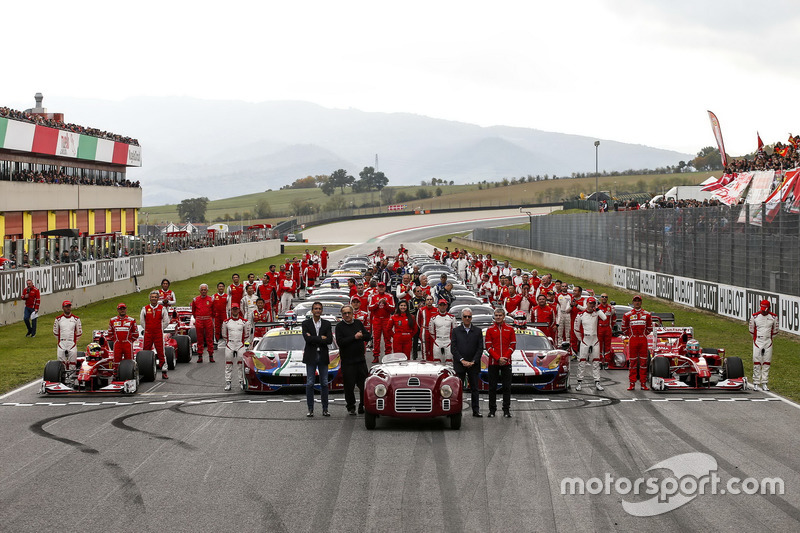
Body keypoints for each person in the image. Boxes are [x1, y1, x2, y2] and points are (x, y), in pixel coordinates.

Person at [336, 305, 372, 415]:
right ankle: (351, 406)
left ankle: (363, 405)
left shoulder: (358, 323)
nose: (347, 315)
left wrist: (361, 336)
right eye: (344, 313)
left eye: (349, 313)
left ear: (352, 313)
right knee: (349, 387)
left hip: (360, 361)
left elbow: (368, 336)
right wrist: (354, 337)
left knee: (363, 386)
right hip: (348, 362)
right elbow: (340, 342)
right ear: (342, 315)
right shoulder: (339, 327)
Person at [302, 302, 333, 417]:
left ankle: (325, 409)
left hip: (323, 355)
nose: (318, 310)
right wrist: (321, 338)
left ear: (322, 311)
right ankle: (310, 409)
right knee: (310, 383)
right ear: (312, 310)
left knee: (324, 383)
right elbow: (307, 339)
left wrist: (314, 338)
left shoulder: (326, 324)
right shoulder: (305, 323)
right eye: (315, 309)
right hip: (311, 355)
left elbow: (329, 340)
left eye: (319, 309)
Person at [450, 307, 484, 417]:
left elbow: (480, 348)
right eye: (465, 316)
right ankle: (456, 410)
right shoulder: (455, 331)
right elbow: (453, 348)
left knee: (475, 388)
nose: (467, 318)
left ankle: (476, 410)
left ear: (471, 318)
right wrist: (462, 360)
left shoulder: (478, 331)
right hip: (460, 364)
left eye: (469, 316)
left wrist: (473, 361)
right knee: (458, 389)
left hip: (473, 365)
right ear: (462, 317)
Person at [485, 307, 515, 418]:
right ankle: (492, 410)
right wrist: (498, 358)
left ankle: (506, 410)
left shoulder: (510, 329)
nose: (498, 317)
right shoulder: (490, 329)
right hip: (493, 363)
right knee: (492, 387)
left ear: (504, 317)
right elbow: (488, 346)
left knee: (507, 387)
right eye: (496, 315)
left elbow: (513, 345)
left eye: (500, 315)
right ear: (494, 316)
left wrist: (505, 358)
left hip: (506, 363)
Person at [573, 297, 606, 392]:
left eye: (593, 303)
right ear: (586, 304)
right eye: (590, 303)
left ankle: (597, 382)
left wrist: (598, 309)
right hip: (585, 339)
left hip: (595, 339)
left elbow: (604, 318)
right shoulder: (580, 314)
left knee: (596, 362)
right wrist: (581, 339)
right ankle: (579, 383)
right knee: (582, 361)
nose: (592, 305)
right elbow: (576, 329)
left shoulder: (597, 313)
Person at [622, 295, 652, 391]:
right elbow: (624, 328)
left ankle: (643, 383)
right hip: (633, 340)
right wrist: (631, 335)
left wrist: (643, 335)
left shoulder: (647, 314)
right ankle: (632, 383)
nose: (637, 302)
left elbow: (649, 328)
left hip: (643, 339)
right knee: (632, 362)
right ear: (633, 302)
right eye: (635, 301)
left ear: (641, 302)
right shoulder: (627, 315)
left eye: (639, 301)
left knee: (643, 362)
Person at [749, 299, 779, 391]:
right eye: (762, 308)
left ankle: (765, 382)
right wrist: (757, 339)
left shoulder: (774, 317)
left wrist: (768, 339)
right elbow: (751, 330)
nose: (763, 310)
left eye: (765, 309)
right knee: (757, 361)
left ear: (769, 308)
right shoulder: (755, 316)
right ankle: (756, 383)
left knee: (766, 362)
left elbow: (775, 331)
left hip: (768, 342)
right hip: (758, 341)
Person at [140, 290, 169, 379]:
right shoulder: (145, 308)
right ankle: (144, 370)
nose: (153, 299)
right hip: (148, 334)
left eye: (155, 297)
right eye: (152, 297)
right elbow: (142, 321)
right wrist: (147, 329)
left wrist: (160, 328)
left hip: (158, 334)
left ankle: (164, 370)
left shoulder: (162, 308)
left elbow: (166, 321)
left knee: (161, 352)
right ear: (150, 298)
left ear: (158, 298)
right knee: (145, 351)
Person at [222, 303, 250, 391]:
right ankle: (228, 382)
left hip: (240, 345)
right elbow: (224, 334)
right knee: (228, 364)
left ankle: (241, 382)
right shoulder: (226, 322)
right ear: (231, 310)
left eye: (236, 309)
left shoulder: (244, 322)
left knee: (240, 365)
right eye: (233, 309)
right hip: (230, 344)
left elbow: (247, 334)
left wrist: (242, 343)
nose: (235, 311)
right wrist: (228, 342)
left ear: (239, 310)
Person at [53, 300, 82, 384]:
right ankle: (62, 379)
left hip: (72, 343)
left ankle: (72, 379)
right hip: (61, 343)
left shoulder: (76, 319)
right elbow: (55, 332)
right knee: (61, 362)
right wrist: (61, 341)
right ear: (63, 308)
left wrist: (73, 341)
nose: (68, 308)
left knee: (73, 362)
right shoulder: (58, 319)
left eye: (69, 306)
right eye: (66, 306)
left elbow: (79, 332)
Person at [368, 282, 395, 362]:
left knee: (387, 338)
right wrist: (377, 303)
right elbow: (370, 307)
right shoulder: (373, 296)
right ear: (377, 287)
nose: (381, 288)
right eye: (379, 287)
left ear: (385, 287)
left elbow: (393, 308)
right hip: (377, 319)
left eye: (382, 287)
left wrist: (385, 303)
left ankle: (388, 356)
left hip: (386, 319)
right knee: (376, 339)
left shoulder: (389, 296)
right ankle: (376, 356)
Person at [192, 283, 216, 363]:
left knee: (209, 338)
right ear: (199, 291)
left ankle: (211, 355)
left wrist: (209, 318)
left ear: (207, 290)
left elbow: (214, 311)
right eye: (202, 290)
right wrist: (198, 318)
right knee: (199, 339)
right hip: (199, 320)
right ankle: (200, 355)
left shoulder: (211, 299)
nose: (203, 291)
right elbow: (193, 311)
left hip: (208, 320)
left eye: (204, 290)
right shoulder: (195, 300)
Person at [428, 299, 455, 363]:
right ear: (438, 306)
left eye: (444, 305)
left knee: (449, 361)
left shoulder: (452, 318)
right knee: (436, 361)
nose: (442, 307)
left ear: (446, 306)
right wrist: (436, 339)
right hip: (438, 341)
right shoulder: (433, 318)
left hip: (448, 341)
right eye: (441, 305)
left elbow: (454, 330)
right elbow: (431, 331)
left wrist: (451, 340)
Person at [417, 295, 437, 361]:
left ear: (433, 301)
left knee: (433, 348)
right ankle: (425, 361)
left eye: (430, 299)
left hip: (433, 332)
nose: (429, 301)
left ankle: (433, 362)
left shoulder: (436, 310)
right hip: (424, 331)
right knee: (424, 348)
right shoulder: (421, 310)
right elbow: (418, 321)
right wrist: (423, 328)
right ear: (425, 301)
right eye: (427, 299)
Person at [597, 293, 615, 364]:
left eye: (606, 297)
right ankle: (600, 359)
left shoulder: (611, 308)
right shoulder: (597, 308)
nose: (604, 298)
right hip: (600, 328)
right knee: (599, 344)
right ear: (600, 298)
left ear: (607, 298)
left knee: (608, 344)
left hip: (608, 328)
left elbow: (614, 318)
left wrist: (611, 326)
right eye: (603, 297)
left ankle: (607, 360)